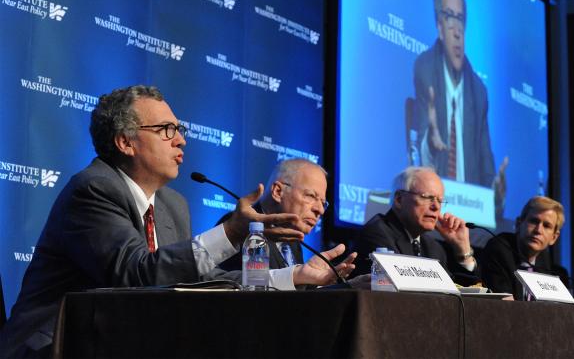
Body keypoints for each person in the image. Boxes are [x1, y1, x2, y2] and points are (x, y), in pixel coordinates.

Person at [0, 85, 354, 359]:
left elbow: (202, 284)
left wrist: (296, 276)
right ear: (126, 142)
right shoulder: (93, 189)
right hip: (55, 347)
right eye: (166, 129)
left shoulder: (173, 205)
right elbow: (136, 276)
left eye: (179, 129)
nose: (181, 139)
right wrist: (232, 231)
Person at [413, 0, 507, 212]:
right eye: (448, 16)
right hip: (434, 212)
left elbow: (487, 166)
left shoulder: (479, 90)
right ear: (438, 25)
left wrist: (495, 192)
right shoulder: (425, 68)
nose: (456, 30)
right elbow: (419, 156)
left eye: (460, 18)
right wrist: (431, 146)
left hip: (470, 217)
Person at [353, 166, 480, 285]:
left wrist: (463, 250)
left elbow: (460, 295)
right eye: (427, 197)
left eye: (439, 200)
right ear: (399, 199)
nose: (436, 207)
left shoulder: (433, 248)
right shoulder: (377, 234)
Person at [218, 158, 328, 270]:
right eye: (310, 196)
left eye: (323, 203)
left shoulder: (293, 243)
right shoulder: (241, 228)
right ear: (278, 191)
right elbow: (252, 285)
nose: (320, 210)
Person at [481, 196, 574, 301]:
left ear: (554, 237)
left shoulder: (545, 261)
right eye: (534, 221)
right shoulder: (500, 249)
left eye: (546, 226)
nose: (538, 230)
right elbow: (506, 305)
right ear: (518, 224)